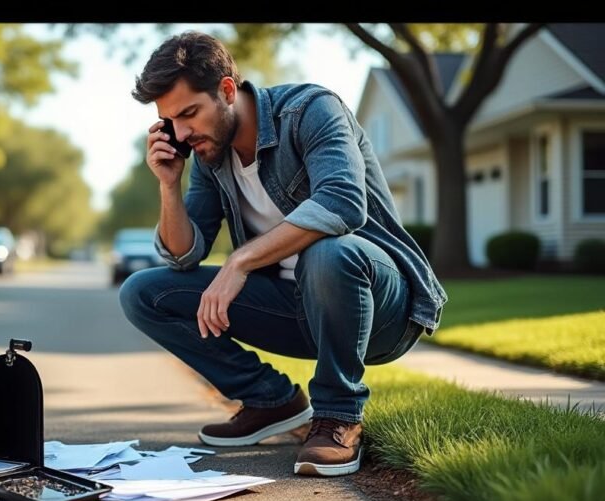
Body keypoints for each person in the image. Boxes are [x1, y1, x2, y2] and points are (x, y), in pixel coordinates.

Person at [119, 31, 447, 477]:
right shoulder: (210, 156)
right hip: (295, 310)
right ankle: (270, 400)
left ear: (227, 91)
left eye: (189, 113)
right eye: (169, 121)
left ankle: (339, 415)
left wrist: (240, 261)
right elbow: (183, 256)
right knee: (143, 292)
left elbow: (342, 203)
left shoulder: (311, 110)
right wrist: (169, 185)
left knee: (327, 251)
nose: (180, 133)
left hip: (381, 310)